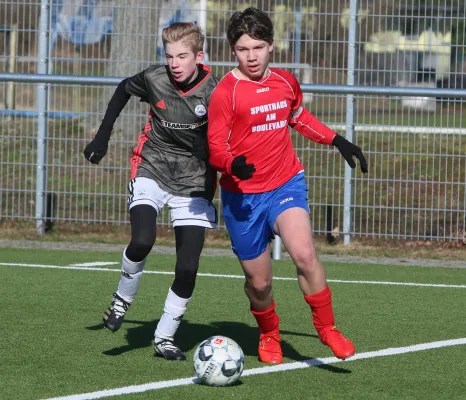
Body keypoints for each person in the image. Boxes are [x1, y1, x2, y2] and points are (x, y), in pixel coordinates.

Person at [207, 7, 368, 364]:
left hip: (285, 183)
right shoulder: (226, 93)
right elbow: (215, 147)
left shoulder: (285, 81)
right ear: (233, 50)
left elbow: (297, 116)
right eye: (243, 48)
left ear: (272, 46)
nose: (251, 56)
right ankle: (268, 333)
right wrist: (232, 163)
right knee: (259, 283)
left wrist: (337, 139)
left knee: (305, 254)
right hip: (242, 198)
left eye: (258, 47)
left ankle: (327, 329)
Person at [83, 22, 218, 361]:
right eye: (169, 55)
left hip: (194, 182)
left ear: (199, 57)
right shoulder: (155, 78)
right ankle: (122, 299)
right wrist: (103, 135)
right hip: (152, 167)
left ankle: (165, 337)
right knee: (142, 240)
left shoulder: (217, 91)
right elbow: (122, 89)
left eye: (182, 56)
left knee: (187, 267)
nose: (174, 63)